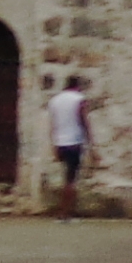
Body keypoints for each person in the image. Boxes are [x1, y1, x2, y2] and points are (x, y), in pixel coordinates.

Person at [45, 75, 92, 219]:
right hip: (74, 142)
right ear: (77, 86)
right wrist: (91, 140)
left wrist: (53, 143)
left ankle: (64, 209)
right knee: (70, 179)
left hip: (60, 142)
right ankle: (66, 211)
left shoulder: (54, 101)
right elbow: (83, 120)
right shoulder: (79, 99)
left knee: (65, 176)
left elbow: (52, 124)